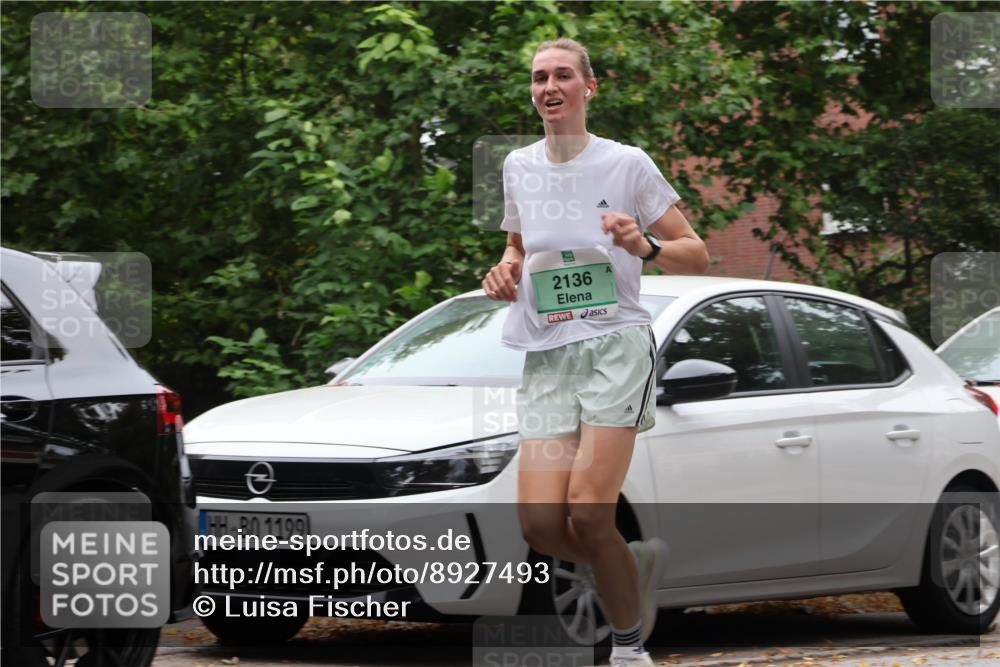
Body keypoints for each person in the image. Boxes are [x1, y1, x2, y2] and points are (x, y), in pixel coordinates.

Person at [481, 38, 710, 667]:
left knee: (587, 510)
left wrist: (645, 246)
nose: (548, 87)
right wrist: (503, 271)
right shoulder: (519, 167)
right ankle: (628, 562)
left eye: (562, 76)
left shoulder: (627, 164)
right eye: (538, 78)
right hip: (547, 352)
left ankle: (630, 650)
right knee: (539, 524)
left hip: (615, 348)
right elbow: (518, 249)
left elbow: (696, 252)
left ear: (589, 87)